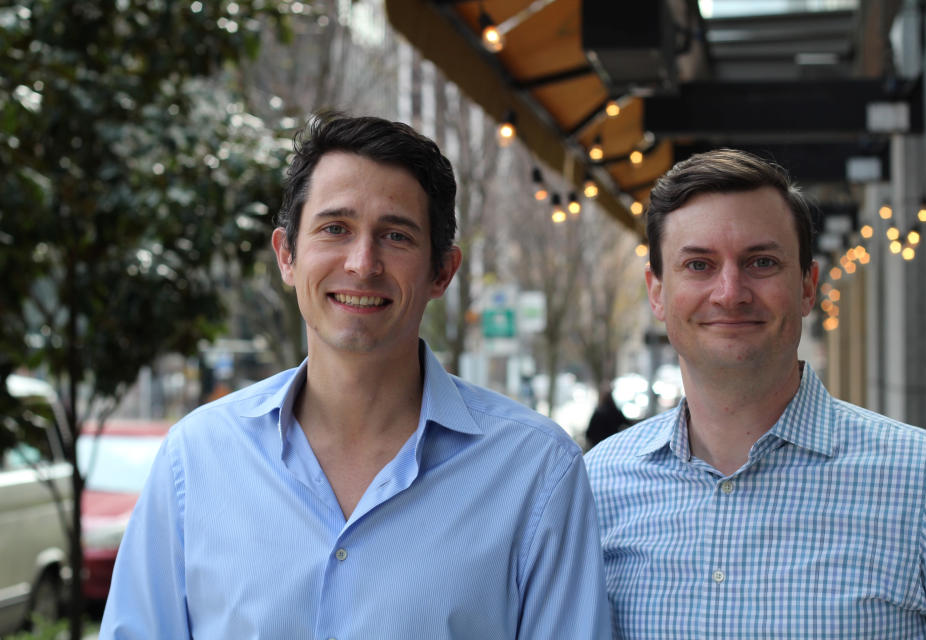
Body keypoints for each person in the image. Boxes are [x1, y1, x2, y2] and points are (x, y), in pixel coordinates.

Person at [100, 114, 611, 639]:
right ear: (286, 256)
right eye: (334, 229)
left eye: (396, 235)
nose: (363, 263)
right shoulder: (196, 459)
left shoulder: (535, 471)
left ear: (442, 272)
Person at [585, 149, 926, 639]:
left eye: (761, 262)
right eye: (699, 265)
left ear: (808, 287)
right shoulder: (594, 488)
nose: (730, 292)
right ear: (657, 292)